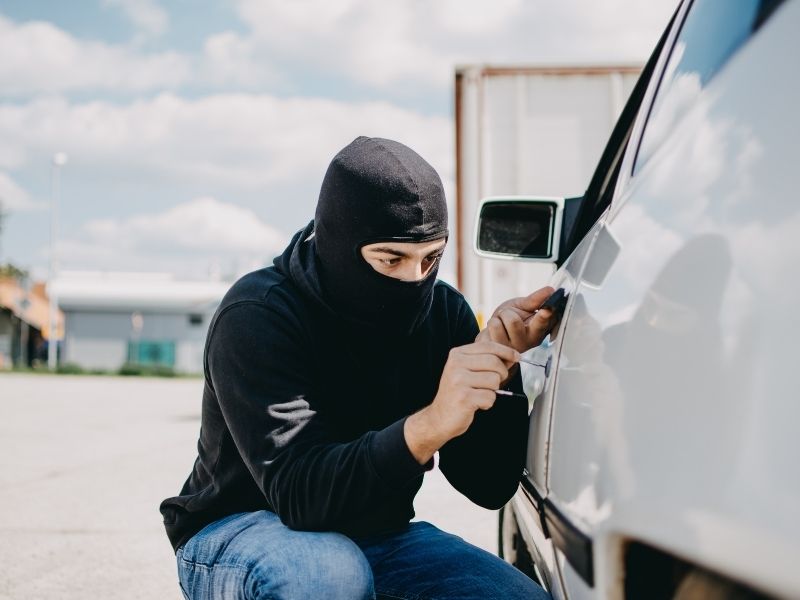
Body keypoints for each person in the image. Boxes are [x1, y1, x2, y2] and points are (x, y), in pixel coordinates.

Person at [160, 136, 554, 600]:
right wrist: (429, 425)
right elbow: (299, 495)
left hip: (378, 536)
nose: (414, 279)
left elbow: (487, 486)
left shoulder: (444, 313)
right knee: (327, 576)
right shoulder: (258, 314)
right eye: (392, 259)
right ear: (338, 245)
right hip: (241, 530)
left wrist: (501, 373)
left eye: (431, 258)